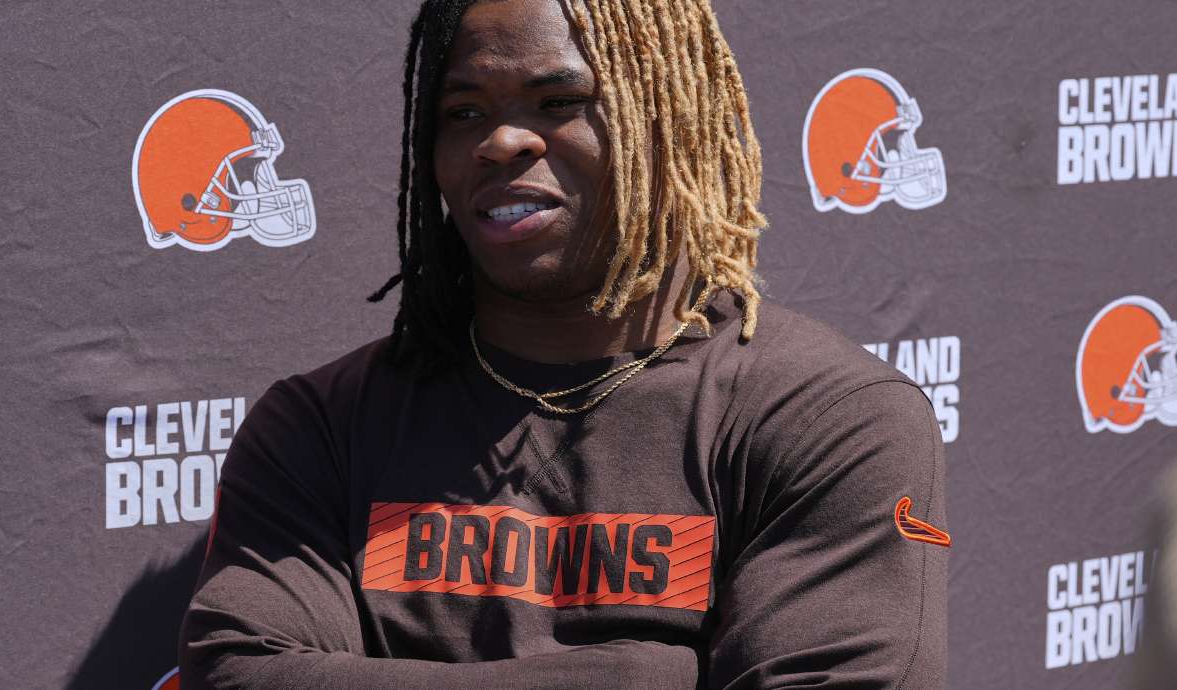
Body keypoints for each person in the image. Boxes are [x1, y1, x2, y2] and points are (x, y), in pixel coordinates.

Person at [178, 0, 950, 688]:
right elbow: (240, 673)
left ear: (669, 118)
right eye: (465, 112)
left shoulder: (831, 418)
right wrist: (646, 672)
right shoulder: (321, 426)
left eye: (560, 101)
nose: (503, 141)